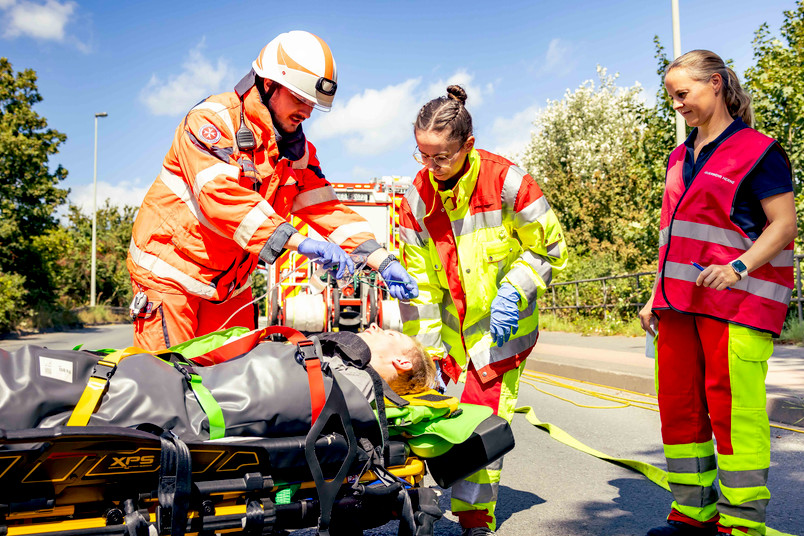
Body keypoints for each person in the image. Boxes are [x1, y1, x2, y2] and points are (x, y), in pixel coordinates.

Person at [127, 30, 418, 351]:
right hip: (171, 278)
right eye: (301, 99)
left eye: (313, 104)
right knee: (166, 385)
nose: (307, 112)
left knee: (235, 387)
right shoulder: (212, 122)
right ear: (269, 84)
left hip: (228, 286)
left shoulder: (296, 152)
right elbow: (222, 199)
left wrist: (382, 260)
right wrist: (300, 242)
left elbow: (327, 210)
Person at [397, 85, 568, 536]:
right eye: (422, 155)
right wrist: (425, 358)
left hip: (499, 331)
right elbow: (418, 289)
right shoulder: (417, 199)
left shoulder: (507, 181)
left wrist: (515, 290)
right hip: (449, 334)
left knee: (480, 416)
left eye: (441, 157)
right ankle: (425, 495)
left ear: (467, 146)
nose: (430, 168)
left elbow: (550, 248)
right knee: (427, 412)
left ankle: (475, 521)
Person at [639, 50, 796, 536]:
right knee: (681, 411)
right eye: (670, 97)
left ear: (717, 85)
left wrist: (738, 265)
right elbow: (673, 234)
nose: (677, 105)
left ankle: (742, 523)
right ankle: (693, 514)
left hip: (736, 306)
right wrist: (652, 295)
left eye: (682, 94)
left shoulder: (759, 151)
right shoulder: (678, 157)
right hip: (678, 306)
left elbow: (784, 224)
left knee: (734, 415)